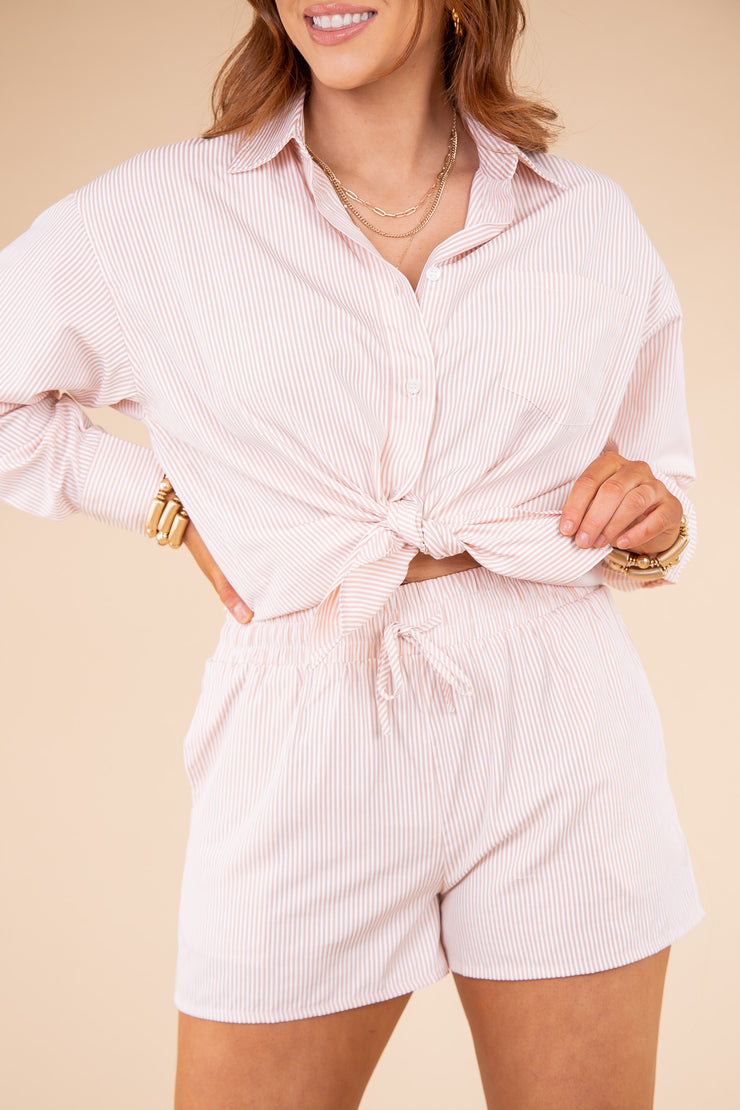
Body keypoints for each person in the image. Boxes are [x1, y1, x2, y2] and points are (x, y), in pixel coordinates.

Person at [0, 1, 704, 1107]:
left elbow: (659, 483)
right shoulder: (161, 214)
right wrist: (164, 506)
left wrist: (653, 528)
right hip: (309, 724)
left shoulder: (583, 219)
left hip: (561, 722)